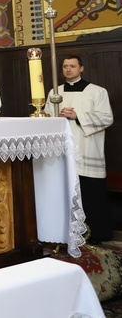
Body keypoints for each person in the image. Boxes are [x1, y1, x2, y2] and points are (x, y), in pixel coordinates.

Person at [46, 55, 114, 242]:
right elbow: (45, 118)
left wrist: (78, 115)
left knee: (90, 193)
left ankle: (95, 234)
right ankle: (65, 234)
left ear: (81, 68)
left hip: (88, 150)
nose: (68, 69)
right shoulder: (55, 92)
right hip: (63, 152)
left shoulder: (97, 92)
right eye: (65, 66)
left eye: (73, 66)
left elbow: (107, 118)